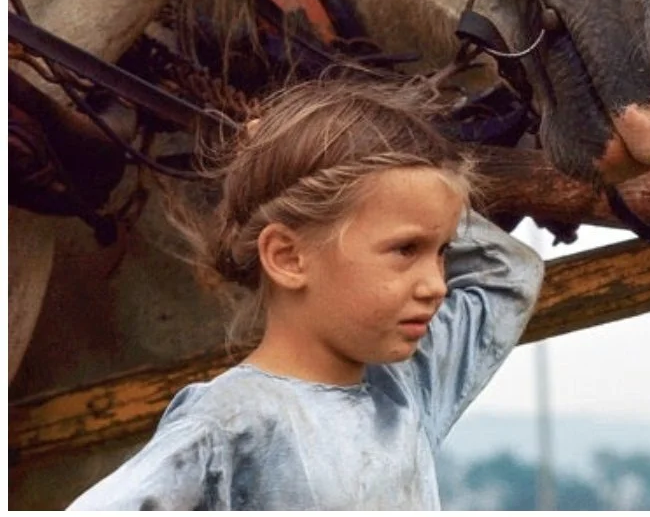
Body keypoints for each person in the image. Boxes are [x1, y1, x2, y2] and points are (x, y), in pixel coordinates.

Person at [68, 75, 545, 510]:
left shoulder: (407, 388)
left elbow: (509, 274)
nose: (437, 284)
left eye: (443, 250)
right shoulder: (230, 422)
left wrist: (416, 191)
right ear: (288, 257)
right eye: (406, 249)